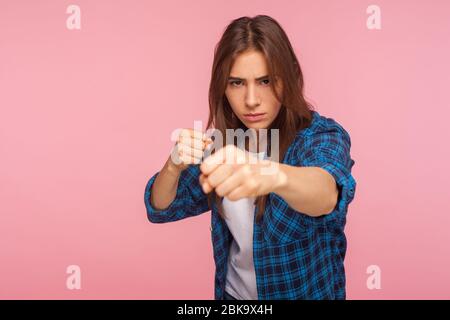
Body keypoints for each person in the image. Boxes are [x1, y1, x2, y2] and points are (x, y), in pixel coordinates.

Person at [144, 15, 356, 300]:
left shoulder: (320, 136)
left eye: (266, 81)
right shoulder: (223, 144)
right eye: (237, 83)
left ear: (290, 76)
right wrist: (173, 165)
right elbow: (161, 208)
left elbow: (327, 193)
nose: (252, 99)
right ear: (223, 87)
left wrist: (272, 176)